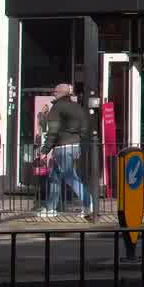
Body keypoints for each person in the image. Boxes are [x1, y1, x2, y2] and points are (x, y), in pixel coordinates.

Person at [39, 84, 90, 218]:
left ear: (60, 93)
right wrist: (79, 142)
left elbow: (53, 131)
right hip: (74, 146)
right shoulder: (78, 107)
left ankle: (88, 204)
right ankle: (50, 208)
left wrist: (45, 150)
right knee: (54, 176)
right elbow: (85, 127)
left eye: (54, 92)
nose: (53, 94)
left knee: (70, 177)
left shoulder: (57, 108)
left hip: (63, 147)